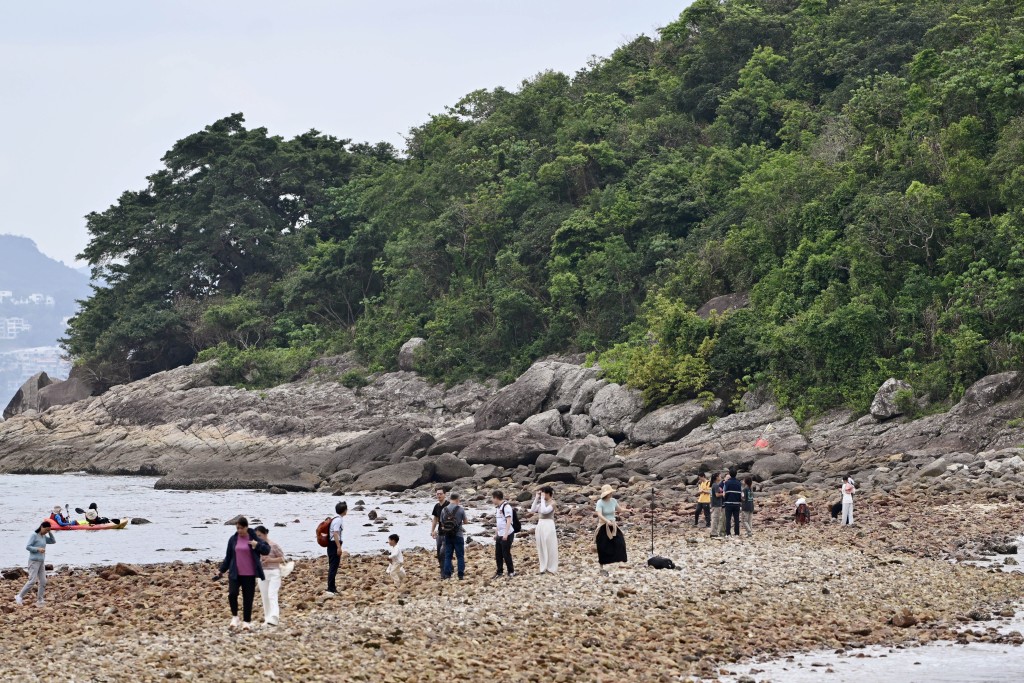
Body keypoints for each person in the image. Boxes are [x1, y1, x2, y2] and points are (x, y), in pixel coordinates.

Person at [215, 517, 271, 630]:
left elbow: (267, 550)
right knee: (232, 594)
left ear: (246, 527)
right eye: (237, 528)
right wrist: (221, 570)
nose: (239, 530)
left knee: (248, 598)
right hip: (235, 573)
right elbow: (228, 557)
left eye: (241, 528)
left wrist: (257, 545)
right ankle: (235, 616)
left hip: (249, 574)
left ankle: (246, 622)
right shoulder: (233, 539)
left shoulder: (253, 538)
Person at [15, 521, 55, 607]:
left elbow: (53, 541)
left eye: (48, 530)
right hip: (33, 561)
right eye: (46, 530)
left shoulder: (44, 536)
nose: (46, 532)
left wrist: (50, 532)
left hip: (41, 561)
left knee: (43, 581)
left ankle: (40, 599)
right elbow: (28, 547)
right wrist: (38, 549)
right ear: (41, 526)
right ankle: (19, 596)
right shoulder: (34, 535)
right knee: (32, 581)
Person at [254, 526, 284, 626]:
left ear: (265, 534)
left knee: (272, 594)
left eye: (260, 535)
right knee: (265, 597)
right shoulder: (256, 546)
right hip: (262, 573)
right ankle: (268, 619)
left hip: (274, 572)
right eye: (256, 536)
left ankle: (275, 617)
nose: (258, 538)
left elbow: (282, 558)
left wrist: (270, 560)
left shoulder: (273, 545)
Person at [595, 484, 627, 572]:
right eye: (609, 493)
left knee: (620, 541)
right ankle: (602, 564)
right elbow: (599, 514)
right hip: (603, 526)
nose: (611, 494)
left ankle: (621, 561)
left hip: (613, 524)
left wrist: (628, 510)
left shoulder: (613, 501)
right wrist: (606, 521)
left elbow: (619, 509)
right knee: (602, 545)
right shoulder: (600, 502)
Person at [530, 486, 558, 574]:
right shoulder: (542, 502)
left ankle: (551, 567)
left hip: (548, 524)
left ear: (548, 493)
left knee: (549, 545)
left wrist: (542, 499)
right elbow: (532, 509)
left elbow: (544, 511)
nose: (542, 495)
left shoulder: (552, 503)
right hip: (541, 524)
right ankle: (543, 566)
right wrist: (536, 498)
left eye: (543, 493)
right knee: (541, 545)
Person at [440, 492, 467, 580]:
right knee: (460, 556)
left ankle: (447, 575)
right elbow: (465, 521)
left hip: (448, 535)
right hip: (458, 535)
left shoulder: (444, 509)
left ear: (450, 499)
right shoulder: (461, 509)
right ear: (457, 500)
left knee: (448, 556)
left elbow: (442, 524)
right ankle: (460, 575)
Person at [325, 501, 347, 597]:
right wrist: (339, 547)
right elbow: (335, 533)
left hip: (331, 544)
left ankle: (332, 588)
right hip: (334, 544)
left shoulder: (335, 519)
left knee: (332, 566)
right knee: (333, 566)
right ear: (344, 510)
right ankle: (330, 588)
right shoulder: (338, 520)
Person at [492, 490, 516, 579]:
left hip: (507, 533)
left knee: (506, 553)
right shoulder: (498, 507)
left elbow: (509, 520)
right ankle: (499, 571)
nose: (492, 500)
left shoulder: (506, 507)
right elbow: (499, 522)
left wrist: (506, 534)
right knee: (498, 554)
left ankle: (511, 571)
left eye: (492, 498)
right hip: (500, 533)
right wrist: (496, 533)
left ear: (496, 498)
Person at [429, 488, 449, 576]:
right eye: (437, 494)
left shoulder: (449, 505)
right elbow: (435, 519)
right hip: (439, 533)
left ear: (445, 494)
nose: (439, 495)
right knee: (438, 553)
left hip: (448, 533)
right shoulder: (436, 506)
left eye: (441, 494)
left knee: (443, 553)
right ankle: (448, 568)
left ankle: (444, 573)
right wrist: (432, 530)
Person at [723, 468, 742, 537]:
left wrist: (725, 499)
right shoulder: (739, 483)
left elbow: (724, 493)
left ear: (730, 474)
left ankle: (728, 533)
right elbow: (740, 493)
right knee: (736, 519)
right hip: (737, 503)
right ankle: (736, 533)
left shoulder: (727, 483)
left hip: (728, 503)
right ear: (736, 474)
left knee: (728, 519)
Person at [708, 473, 723, 538]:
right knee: (716, 518)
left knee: (714, 517)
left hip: (714, 503)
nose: (721, 477)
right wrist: (723, 494)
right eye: (719, 476)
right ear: (716, 478)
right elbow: (717, 495)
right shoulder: (716, 485)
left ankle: (713, 531)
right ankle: (714, 532)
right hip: (716, 504)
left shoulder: (713, 485)